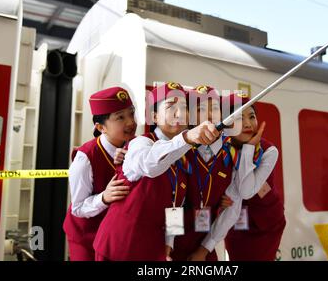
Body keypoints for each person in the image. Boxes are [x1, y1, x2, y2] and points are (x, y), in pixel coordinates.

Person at [93, 82, 219, 261]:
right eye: (170, 106)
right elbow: (150, 165)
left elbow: (176, 206)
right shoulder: (141, 143)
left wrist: (169, 243)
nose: (180, 113)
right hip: (119, 246)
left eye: (184, 107)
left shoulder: (184, 157)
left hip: (151, 249)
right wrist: (187, 138)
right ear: (154, 116)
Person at [62, 86, 136, 261]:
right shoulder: (85, 158)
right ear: (101, 127)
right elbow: (78, 208)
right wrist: (104, 197)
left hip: (116, 236)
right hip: (86, 237)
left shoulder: (135, 148)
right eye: (120, 117)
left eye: (131, 114)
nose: (130, 122)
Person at [170, 85, 235, 261]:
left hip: (207, 244)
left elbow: (234, 208)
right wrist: (168, 246)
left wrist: (203, 251)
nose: (208, 114)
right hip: (175, 241)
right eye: (200, 109)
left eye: (214, 108)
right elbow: (174, 204)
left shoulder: (232, 153)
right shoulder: (178, 150)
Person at [224, 93, 286, 261]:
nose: (247, 123)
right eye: (238, 118)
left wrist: (249, 149)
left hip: (266, 223)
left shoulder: (269, 150)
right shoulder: (222, 150)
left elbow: (246, 191)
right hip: (235, 222)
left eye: (252, 116)